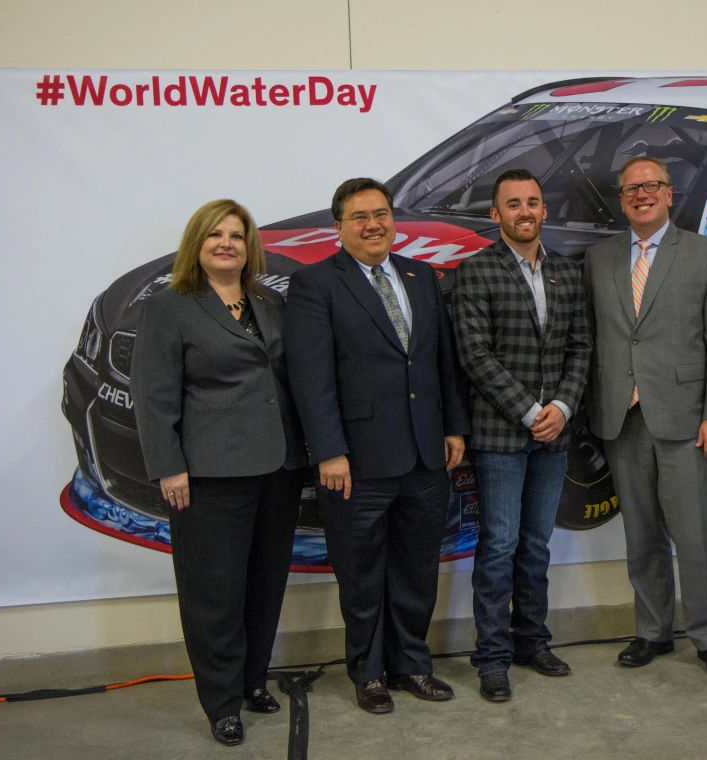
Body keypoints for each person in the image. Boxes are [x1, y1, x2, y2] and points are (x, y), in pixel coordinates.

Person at [283, 178, 470, 714]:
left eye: (382, 213)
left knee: (416, 569)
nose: (373, 224)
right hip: (356, 461)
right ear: (338, 226)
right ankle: (368, 673)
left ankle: (412, 664)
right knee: (362, 576)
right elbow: (310, 378)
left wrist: (453, 427)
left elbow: (441, 361)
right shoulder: (315, 284)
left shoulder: (421, 275)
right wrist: (328, 451)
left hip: (425, 455)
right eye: (360, 216)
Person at [130, 199, 307, 746]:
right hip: (208, 473)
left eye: (237, 234)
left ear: (250, 245)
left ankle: (253, 680)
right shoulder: (170, 307)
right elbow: (153, 397)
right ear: (197, 245)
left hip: (278, 465)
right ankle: (221, 701)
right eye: (216, 235)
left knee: (264, 583)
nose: (227, 243)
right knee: (214, 593)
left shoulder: (268, 301)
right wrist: (169, 467)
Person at [583, 156, 707, 677]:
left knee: (697, 535)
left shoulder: (705, 254)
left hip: (689, 421)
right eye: (631, 189)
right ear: (621, 198)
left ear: (670, 194)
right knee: (641, 536)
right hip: (621, 419)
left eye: (652, 186)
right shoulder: (598, 258)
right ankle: (652, 631)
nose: (642, 194)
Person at [451, 169, 592, 702]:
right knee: (499, 546)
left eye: (532, 201)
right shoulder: (475, 271)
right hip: (501, 436)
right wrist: (531, 410)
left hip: (554, 434)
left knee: (536, 545)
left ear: (544, 211)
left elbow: (581, 348)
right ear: (496, 215)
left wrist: (560, 406)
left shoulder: (567, 273)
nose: (524, 211)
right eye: (513, 204)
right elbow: (475, 356)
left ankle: (532, 641)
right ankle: (492, 657)